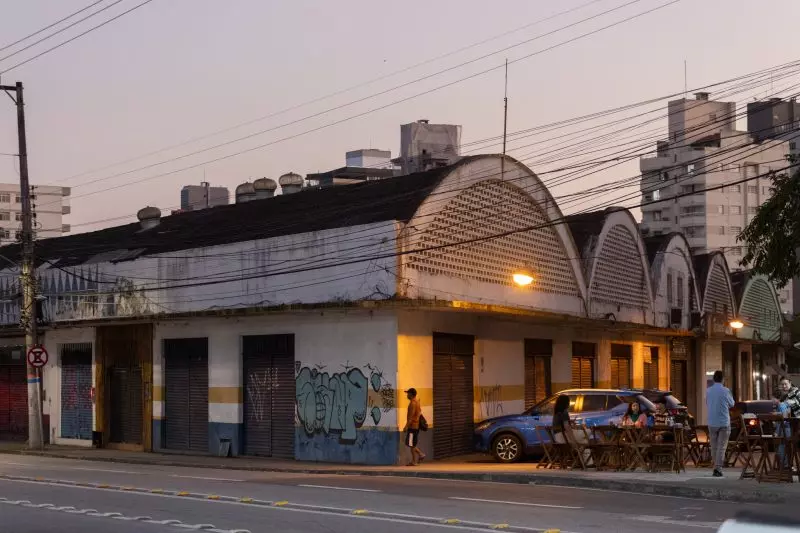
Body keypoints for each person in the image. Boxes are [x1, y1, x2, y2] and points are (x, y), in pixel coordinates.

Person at [706, 370, 735, 477]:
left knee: (714, 446)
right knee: (722, 447)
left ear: (714, 379)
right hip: (723, 422)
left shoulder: (708, 391)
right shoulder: (726, 390)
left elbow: (707, 403)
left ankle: (715, 467)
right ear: (723, 379)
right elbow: (732, 404)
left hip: (711, 421)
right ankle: (718, 469)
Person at [403, 388, 426, 466]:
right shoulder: (417, 402)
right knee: (412, 444)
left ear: (411, 394)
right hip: (415, 427)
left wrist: (406, 426)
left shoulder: (412, 403)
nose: (407, 395)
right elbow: (419, 413)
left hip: (412, 427)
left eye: (408, 393)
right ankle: (420, 455)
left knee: (411, 444)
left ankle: (415, 460)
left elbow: (411, 417)